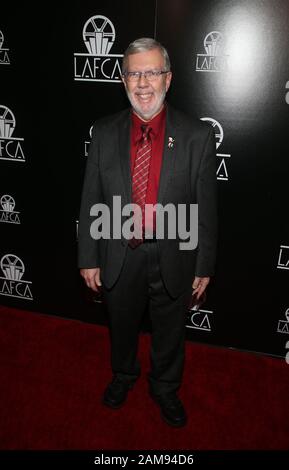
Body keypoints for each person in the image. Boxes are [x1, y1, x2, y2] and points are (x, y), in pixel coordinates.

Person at [78, 38, 217, 427]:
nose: (142, 83)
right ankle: (123, 375)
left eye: (151, 72)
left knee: (170, 330)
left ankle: (165, 387)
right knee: (121, 324)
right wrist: (88, 256)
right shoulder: (104, 133)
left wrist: (204, 264)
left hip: (175, 252)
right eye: (134, 73)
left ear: (167, 79)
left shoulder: (197, 136)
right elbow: (91, 199)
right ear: (123, 81)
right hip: (120, 251)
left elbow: (205, 209)